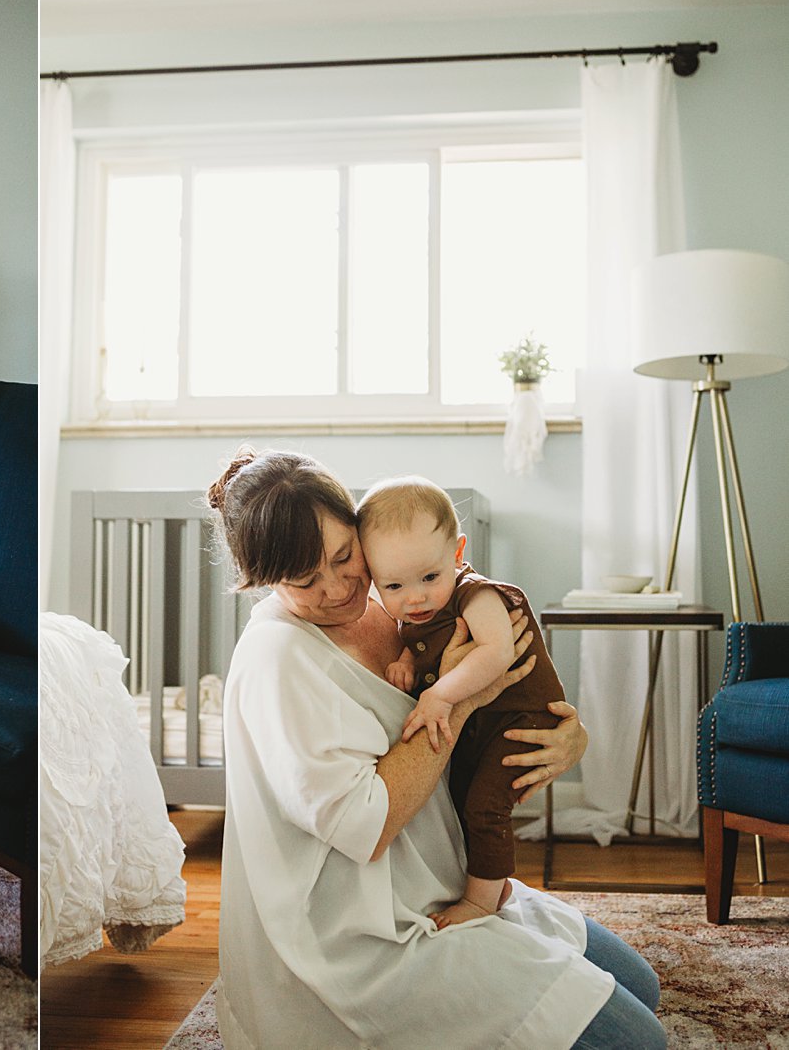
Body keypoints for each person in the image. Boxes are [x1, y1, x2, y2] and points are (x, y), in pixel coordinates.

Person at [208, 449, 666, 1049]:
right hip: (360, 931)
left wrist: (565, 737)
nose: (337, 586)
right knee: (638, 1042)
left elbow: (494, 702)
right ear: (266, 581)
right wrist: (464, 699)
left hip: (436, 877)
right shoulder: (279, 659)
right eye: (304, 580)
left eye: (345, 556)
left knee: (641, 987)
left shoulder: (387, 604)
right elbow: (366, 826)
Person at [357, 475, 568, 930]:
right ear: (374, 580)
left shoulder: (478, 594)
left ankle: (480, 903)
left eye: (430, 577)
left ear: (457, 552)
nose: (415, 598)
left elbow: (496, 651)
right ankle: (492, 881)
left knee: (484, 807)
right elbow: (429, 648)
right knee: (456, 801)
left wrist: (438, 693)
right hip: (485, 726)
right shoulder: (418, 614)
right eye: (393, 586)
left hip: (523, 721)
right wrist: (406, 662)